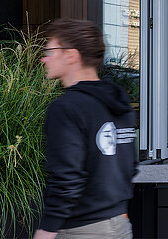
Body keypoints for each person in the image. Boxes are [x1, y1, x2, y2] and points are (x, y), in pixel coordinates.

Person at [34, 19, 138, 239]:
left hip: (83, 230)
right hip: (119, 225)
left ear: (71, 55)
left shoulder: (67, 108)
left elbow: (67, 177)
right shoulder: (120, 102)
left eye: (50, 51)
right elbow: (129, 166)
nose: (44, 58)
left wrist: (47, 229)